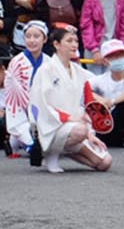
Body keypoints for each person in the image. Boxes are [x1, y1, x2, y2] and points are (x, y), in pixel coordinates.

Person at [29, 25, 113, 174]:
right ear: (56, 44)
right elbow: (40, 104)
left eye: (76, 41)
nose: (74, 45)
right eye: (69, 41)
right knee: (79, 131)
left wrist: (90, 134)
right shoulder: (45, 70)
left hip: (74, 128)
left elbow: (89, 103)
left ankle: (66, 149)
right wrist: (67, 118)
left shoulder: (79, 72)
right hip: (53, 127)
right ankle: (50, 154)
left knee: (105, 163)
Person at [4, 20, 47, 155]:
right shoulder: (16, 62)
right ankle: (21, 140)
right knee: (31, 143)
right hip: (20, 108)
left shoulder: (49, 62)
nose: (32, 40)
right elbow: (13, 91)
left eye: (36, 36)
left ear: (44, 39)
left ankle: (17, 140)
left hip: (41, 107)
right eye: (28, 36)